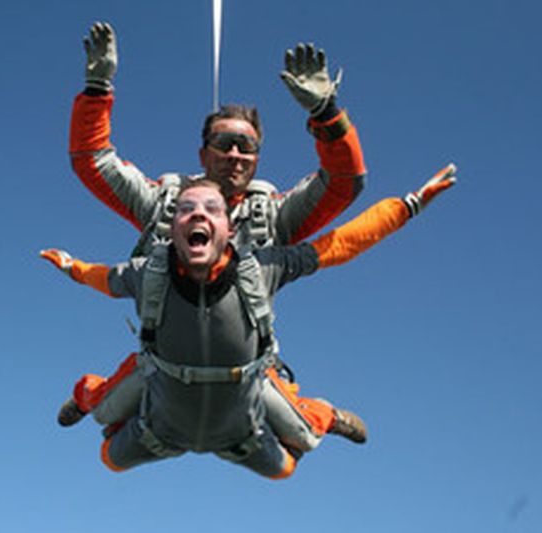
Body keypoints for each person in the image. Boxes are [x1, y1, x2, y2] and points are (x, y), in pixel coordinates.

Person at [41, 166, 456, 479]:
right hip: (162, 420)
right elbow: (105, 278)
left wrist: (409, 205)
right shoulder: (149, 273)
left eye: (211, 209)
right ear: (173, 226)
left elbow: (342, 243)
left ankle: (324, 413)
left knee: (291, 460)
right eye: (186, 209)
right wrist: (72, 267)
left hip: (242, 420)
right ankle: (87, 392)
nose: (198, 216)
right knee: (108, 450)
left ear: (228, 227)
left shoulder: (262, 268)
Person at [60, 21, 367, 425]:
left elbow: (343, 185)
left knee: (297, 429)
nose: (236, 154)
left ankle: (326, 415)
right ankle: (85, 395)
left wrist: (326, 113)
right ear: (203, 155)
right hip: (165, 349)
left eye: (247, 147)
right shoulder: (163, 204)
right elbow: (92, 161)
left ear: (257, 160)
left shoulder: (271, 215)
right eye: (223, 145)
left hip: (243, 357)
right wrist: (97, 89)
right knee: (109, 401)